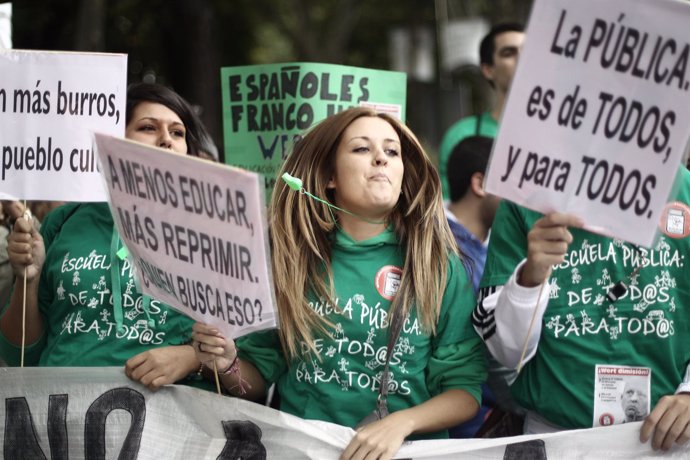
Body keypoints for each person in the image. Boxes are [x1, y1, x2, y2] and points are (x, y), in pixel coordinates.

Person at [192, 107, 487, 459]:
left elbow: (465, 392)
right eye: (362, 149)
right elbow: (254, 380)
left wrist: (402, 423)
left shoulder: (436, 265)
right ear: (330, 176)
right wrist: (226, 364)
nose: (381, 158)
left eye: (392, 151)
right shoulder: (290, 264)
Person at [1, 83, 211, 390]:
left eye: (178, 133)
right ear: (114, 139)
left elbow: (250, 370)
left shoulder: (211, 232)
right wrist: (28, 281)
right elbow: (19, 354)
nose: (166, 140)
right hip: (59, 423)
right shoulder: (64, 221)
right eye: (148, 127)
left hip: (169, 430)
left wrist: (191, 358)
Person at [472, 167, 690, 451]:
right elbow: (507, 353)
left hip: (664, 442)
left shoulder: (683, 189)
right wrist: (530, 279)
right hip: (556, 440)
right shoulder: (525, 195)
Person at [439, 22, 524, 200]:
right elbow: (450, 212)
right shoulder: (461, 135)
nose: (522, 58)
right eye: (509, 53)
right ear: (488, 70)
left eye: (528, 52)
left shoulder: (560, 136)